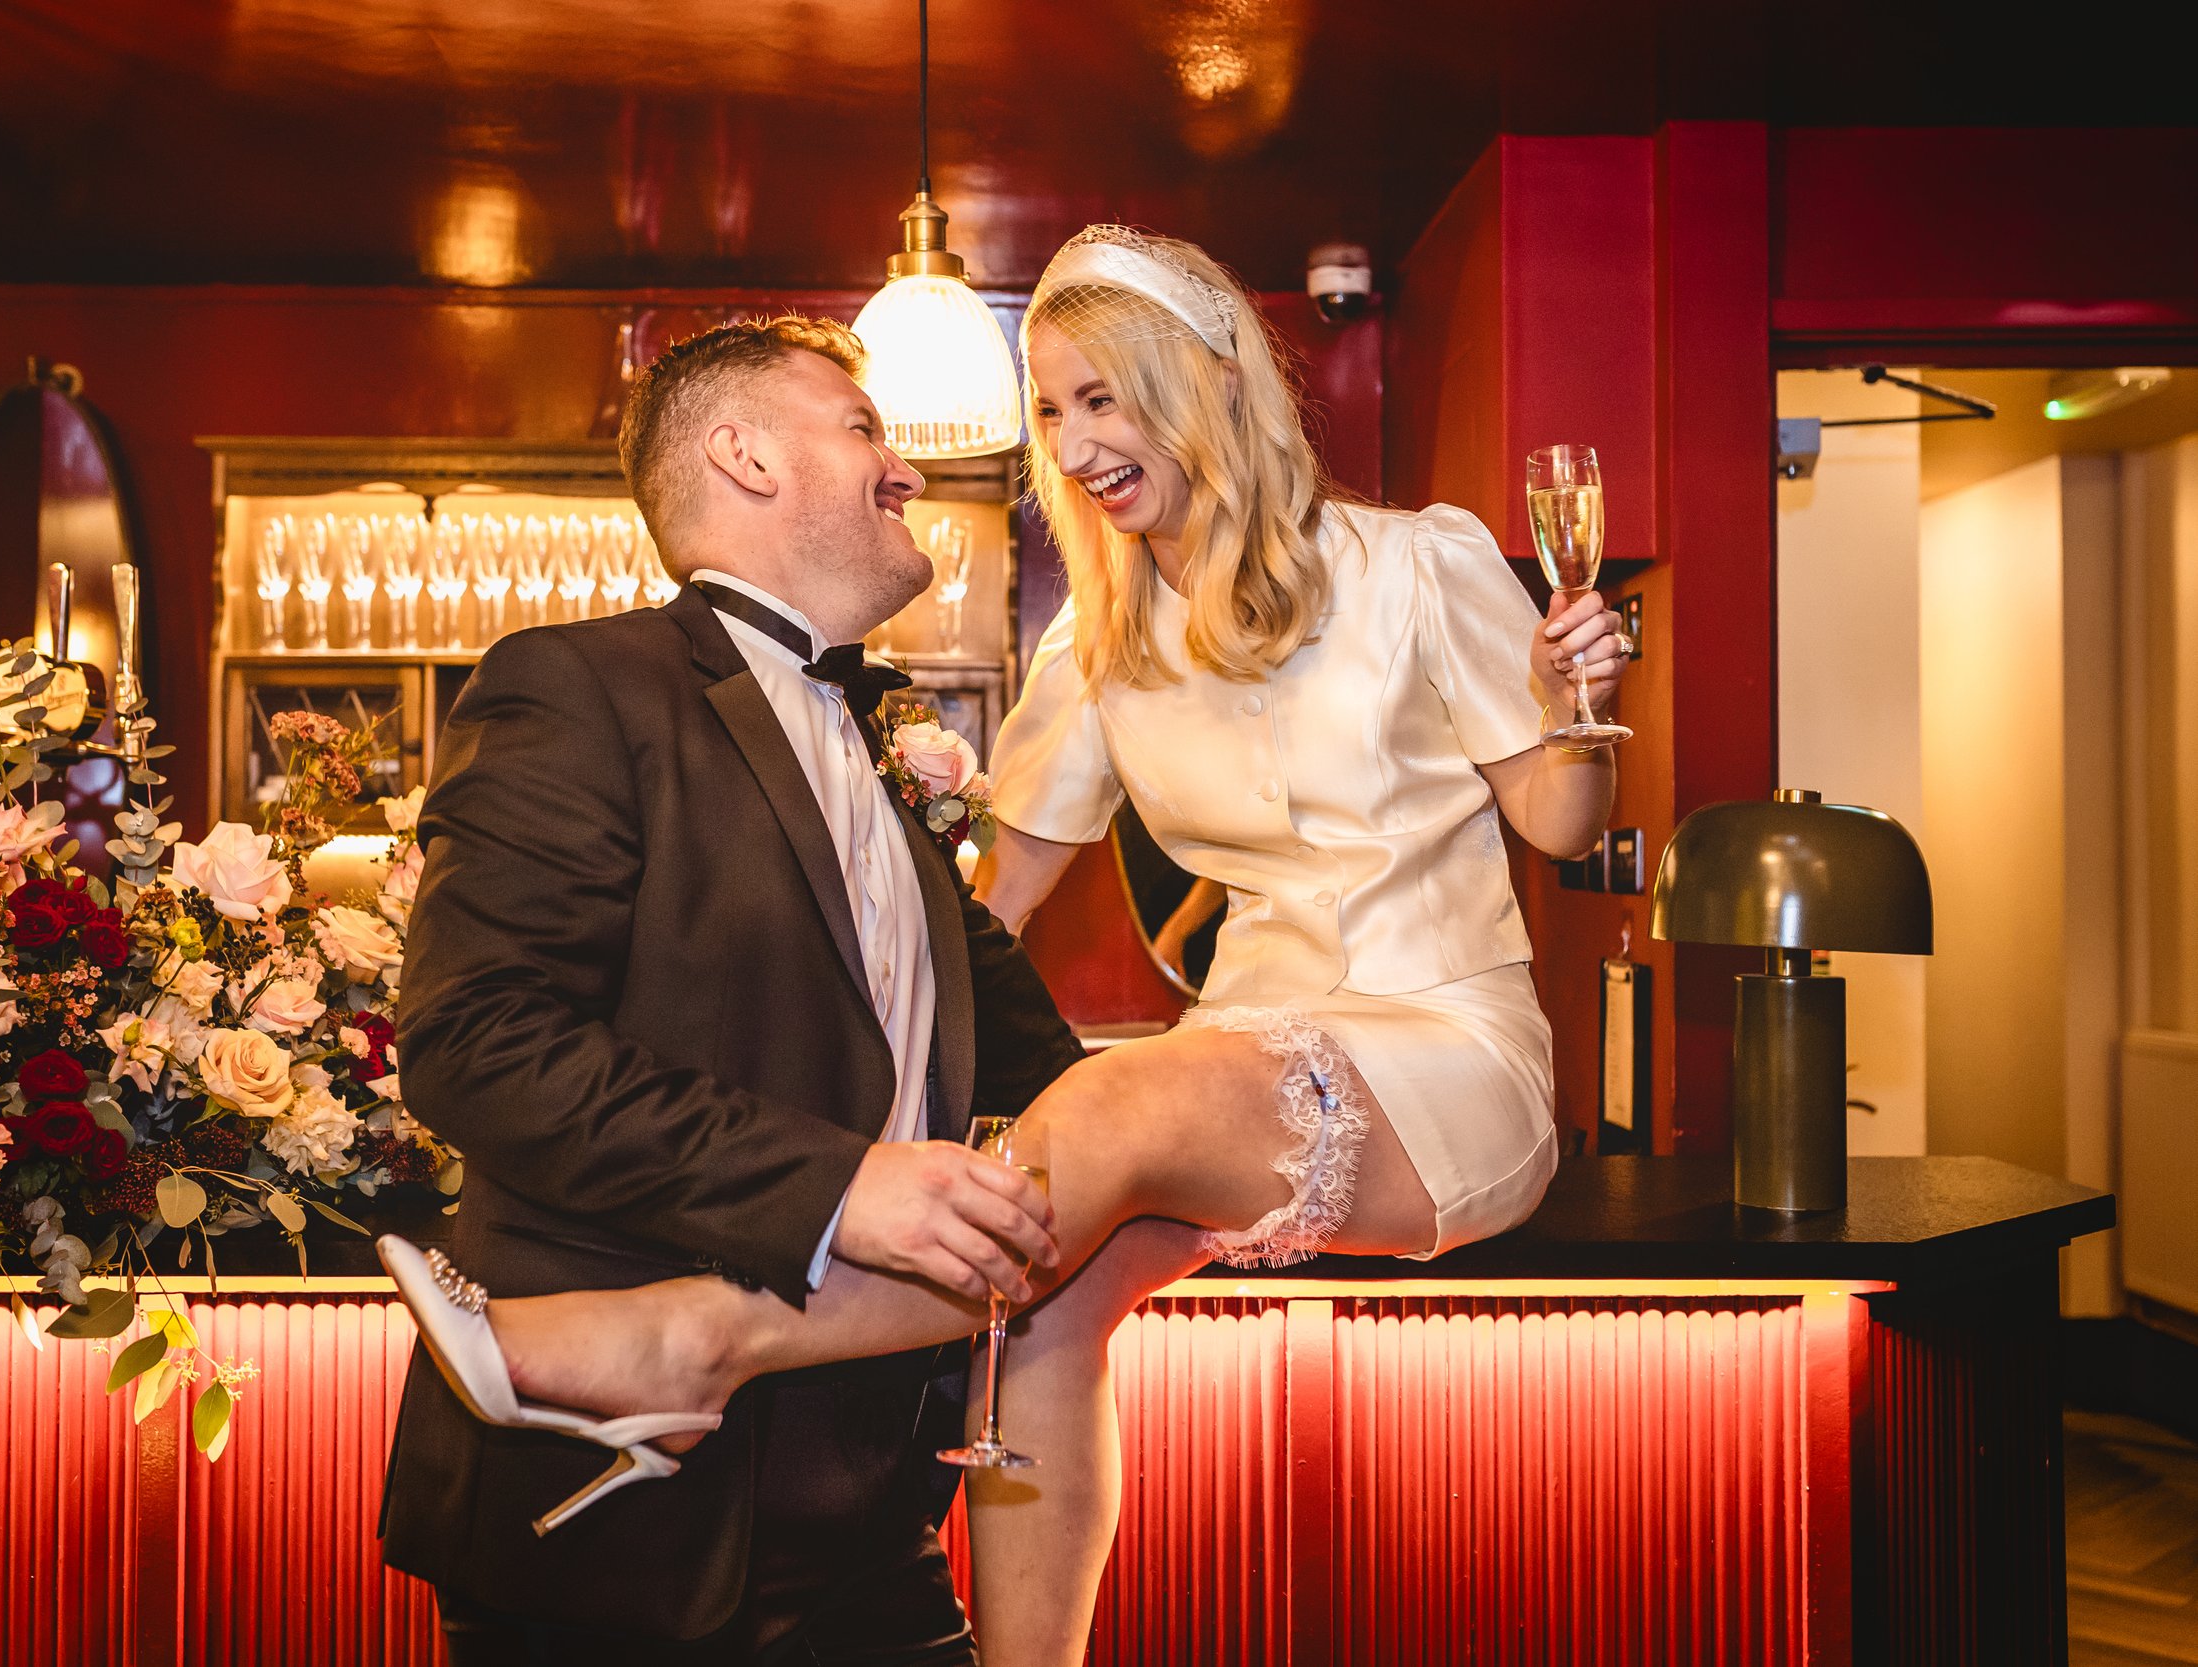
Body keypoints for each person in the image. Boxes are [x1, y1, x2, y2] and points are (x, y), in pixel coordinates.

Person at [382, 227, 1629, 1667]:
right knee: (1037, 1305)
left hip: (1429, 1043)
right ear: (745, 460)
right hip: (698, 1545)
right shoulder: (1035, 656)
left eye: (1101, 397)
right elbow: (966, 943)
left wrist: (1577, 702)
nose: (937, 462)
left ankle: (689, 1341)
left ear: (1202, 384)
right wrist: (910, 1171)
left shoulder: (1419, 562)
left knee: (1112, 1106)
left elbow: (1556, 822)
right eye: (1046, 410)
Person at [378, 315, 1084, 1665]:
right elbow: (478, 1046)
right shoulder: (577, 689)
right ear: (743, 454)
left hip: (884, 1531)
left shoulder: (877, 756)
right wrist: (840, 1186)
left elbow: (1055, 1083)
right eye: (865, 425)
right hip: (627, 1534)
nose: (908, 472)